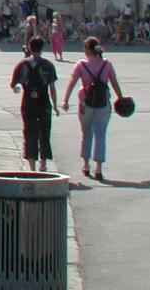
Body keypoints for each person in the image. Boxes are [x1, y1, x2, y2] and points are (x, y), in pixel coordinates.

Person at [62, 37, 124, 181]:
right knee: (101, 135)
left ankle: (86, 164)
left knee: (86, 133)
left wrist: (65, 100)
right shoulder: (107, 64)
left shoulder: (81, 64)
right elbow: (114, 83)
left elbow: (72, 82)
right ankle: (99, 168)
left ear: (88, 50)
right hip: (103, 102)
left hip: (85, 102)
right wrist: (120, 98)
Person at [11, 36, 59, 172]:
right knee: (44, 132)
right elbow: (52, 88)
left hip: (28, 103)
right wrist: (55, 106)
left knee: (29, 132)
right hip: (44, 102)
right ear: (42, 49)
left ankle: (31, 166)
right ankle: (43, 164)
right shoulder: (48, 65)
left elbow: (14, 85)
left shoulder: (21, 65)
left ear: (29, 48)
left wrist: (17, 88)